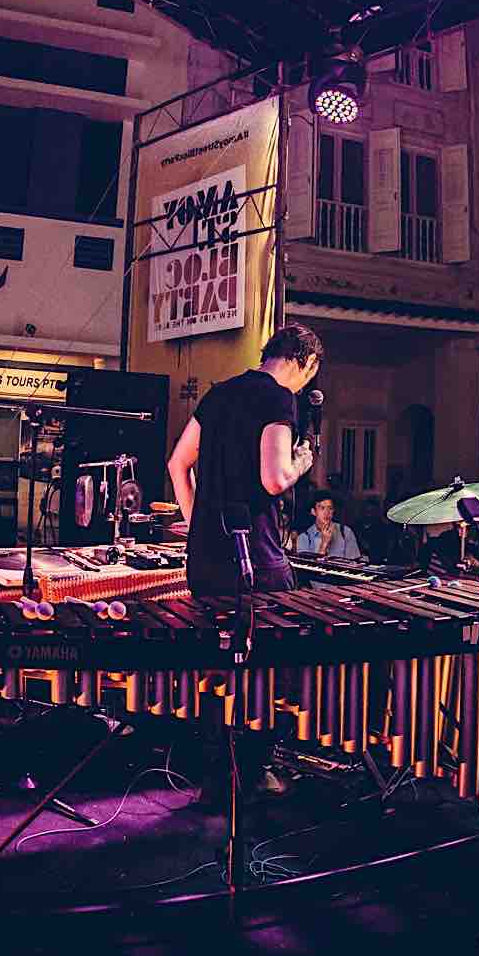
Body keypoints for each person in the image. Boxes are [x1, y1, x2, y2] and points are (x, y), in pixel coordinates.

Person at [165, 324, 323, 795]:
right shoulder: (278, 398)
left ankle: (217, 773)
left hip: (205, 559)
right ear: (303, 361)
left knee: (216, 668)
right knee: (272, 668)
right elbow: (274, 479)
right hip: (254, 559)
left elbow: (177, 464)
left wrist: (198, 525)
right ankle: (252, 771)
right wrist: (302, 463)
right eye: (310, 374)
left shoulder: (218, 395)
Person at [294, 490, 362, 562]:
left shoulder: (345, 532)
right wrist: (324, 544)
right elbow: (305, 567)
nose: (327, 513)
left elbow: (354, 564)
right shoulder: (304, 537)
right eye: (322, 508)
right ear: (313, 512)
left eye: (330, 508)